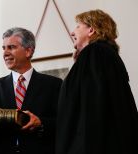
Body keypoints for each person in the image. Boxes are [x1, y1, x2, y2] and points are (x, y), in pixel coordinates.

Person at [55, 9, 138, 154]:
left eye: (78, 26)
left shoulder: (94, 53)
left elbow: (91, 109)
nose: (72, 33)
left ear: (91, 30)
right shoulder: (105, 54)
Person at [0, 27, 62, 154]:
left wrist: (40, 123)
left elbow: (63, 124)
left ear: (28, 51)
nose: (5, 53)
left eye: (11, 47)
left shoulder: (54, 85)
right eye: (4, 48)